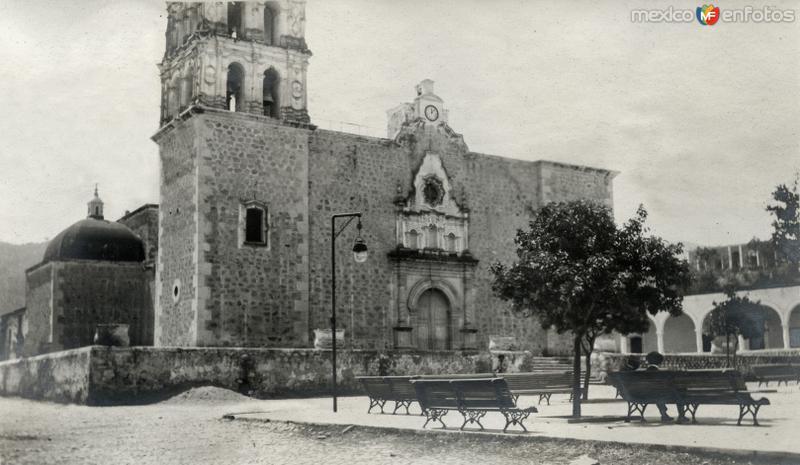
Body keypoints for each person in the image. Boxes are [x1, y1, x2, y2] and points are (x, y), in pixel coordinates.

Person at [644, 351, 673, 422]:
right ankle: (680, 416)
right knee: (660, 394)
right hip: (656, 395)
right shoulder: (658, 372)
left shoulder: (646, 371)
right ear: (660, 362)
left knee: (657, 394)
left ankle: (664, 414)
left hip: (644, 395)